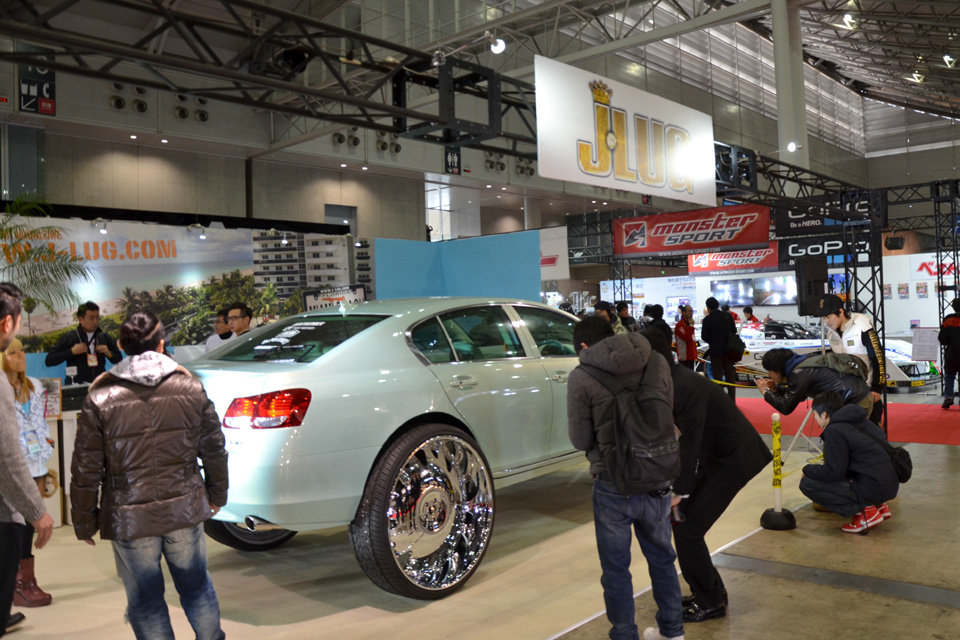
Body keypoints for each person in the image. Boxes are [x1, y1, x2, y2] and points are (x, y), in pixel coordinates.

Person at [71, 311, 229, 640]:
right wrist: (217, 495)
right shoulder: (190, 387)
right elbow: (214, 448)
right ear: (161, 344)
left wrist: (84, 520)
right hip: (184, 508)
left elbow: (86, 468)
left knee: (146, 600)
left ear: (120, 345)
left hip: (130, 517)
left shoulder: (99, 397)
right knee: (196, 587)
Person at [567, 315, 684, 640]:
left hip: (613, 483)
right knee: (663, 559)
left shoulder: (582, 376)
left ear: (584, 347)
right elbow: (666, 412)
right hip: (658, 476)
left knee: (616, 569)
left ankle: (624, 634)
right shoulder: (656, 361)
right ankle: (673, 632)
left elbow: (580, 439)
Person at [642, 329, 771, 623]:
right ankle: (712, 592)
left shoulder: (681, 386)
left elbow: (690, 441)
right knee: (685, 525)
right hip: (720, 457)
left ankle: (710, 601)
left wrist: (678, 490)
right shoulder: (672, 380)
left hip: (734, 459)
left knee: (687, 528)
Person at [0, 283, 54, 637]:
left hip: (33, 460)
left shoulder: (32, 386)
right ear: (8, 323)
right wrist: (36, 510)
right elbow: (6, 455)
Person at [800, 391, 898, 533]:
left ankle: (865, 513)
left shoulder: (834, 430)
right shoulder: (861, 421)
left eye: (814, 414)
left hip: (873, 487)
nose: (814, 418)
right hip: (889, 485)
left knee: (808, 484)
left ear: (824, 414)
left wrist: (807, 470)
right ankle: (878, 506)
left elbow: (834, 472)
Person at [813, 294, 885, 423]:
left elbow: (878, 357)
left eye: (828, 316)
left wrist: (876, 387)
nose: (827, 322)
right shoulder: (831, 334)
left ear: (841, 312)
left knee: (871, 430)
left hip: (867, 391)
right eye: (824, 318)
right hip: (844, 392)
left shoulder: (862, 326)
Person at [755, 347, 872, 416]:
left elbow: (786, 407)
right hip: (856, 398)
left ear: (777, 369)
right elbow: (798, 395)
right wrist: (775, 389)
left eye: (770, 371)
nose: (769, 375)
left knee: (841, 444)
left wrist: (766, 392)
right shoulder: (802, 362)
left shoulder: (799, 373)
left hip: (854, 402)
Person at [44, 301, 122, 384]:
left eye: (97, 317)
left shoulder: (103, 336)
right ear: (80, 319)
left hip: (99, 384)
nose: (95, 321)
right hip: (77, 386)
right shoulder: (69, 337)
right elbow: (49, 360)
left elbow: (118, 359)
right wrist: (71, 352)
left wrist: (109, 353)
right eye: (91, 318)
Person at [700, 297, 737, 399]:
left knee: (717, 376)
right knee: (730, 374)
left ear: (708, 308)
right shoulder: (727, 316)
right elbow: (734, 331)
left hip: (715, 351)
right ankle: (732, 399)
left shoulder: (707, 319)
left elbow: (704, 336)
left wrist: (713, 341)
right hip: (729, 350)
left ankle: (721, 400)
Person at [938, 298, 960, 409]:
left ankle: (948, 397)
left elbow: (942, 339)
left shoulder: (948, 319)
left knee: (949, 376)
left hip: (952, 353)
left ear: (953, 307)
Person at [674, 305, 698, 370]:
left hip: (691, 354)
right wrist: (691, 327)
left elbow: (692, 338)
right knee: (685, 374)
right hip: (684, 355)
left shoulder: (689, 324)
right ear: (683, 313)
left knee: (691, 373)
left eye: (692, 311)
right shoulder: (680, 325)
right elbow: (686, 337)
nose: (691, 313)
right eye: (689, 311)